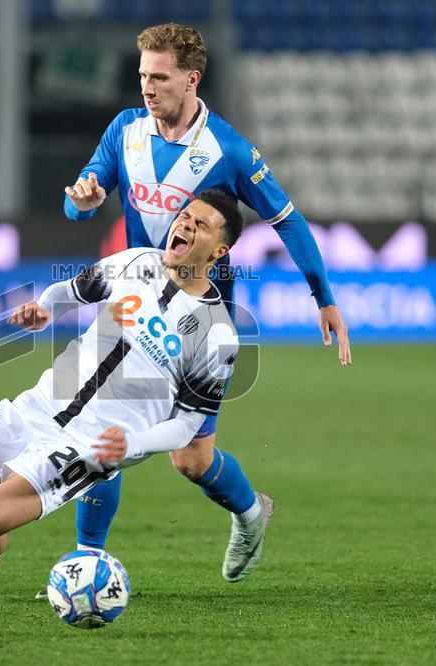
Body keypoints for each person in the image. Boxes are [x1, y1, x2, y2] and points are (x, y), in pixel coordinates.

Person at [59, 23, 351, 583]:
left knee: (190, 459)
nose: (147, 87)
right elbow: (81, 201)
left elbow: (286, 219)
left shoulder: (230, 150)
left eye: (160, 77)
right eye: (143, 75)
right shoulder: (124, 131)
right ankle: (87, 559)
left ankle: (249, 514)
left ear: (191, 79)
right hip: (132, 305)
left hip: (199, 320)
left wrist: (324, 296)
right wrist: (83, 201)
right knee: (100, 424)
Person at [0, 191, 265, 601]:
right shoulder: (135, 262)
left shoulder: (217, 333)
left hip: (87, 444)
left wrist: (134, 443)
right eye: (185, 216)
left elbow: (186, 426)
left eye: (201, 224)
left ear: (220, 250)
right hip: (40, 405)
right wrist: (45, 308)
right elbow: (71, 291)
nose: (185, 225)